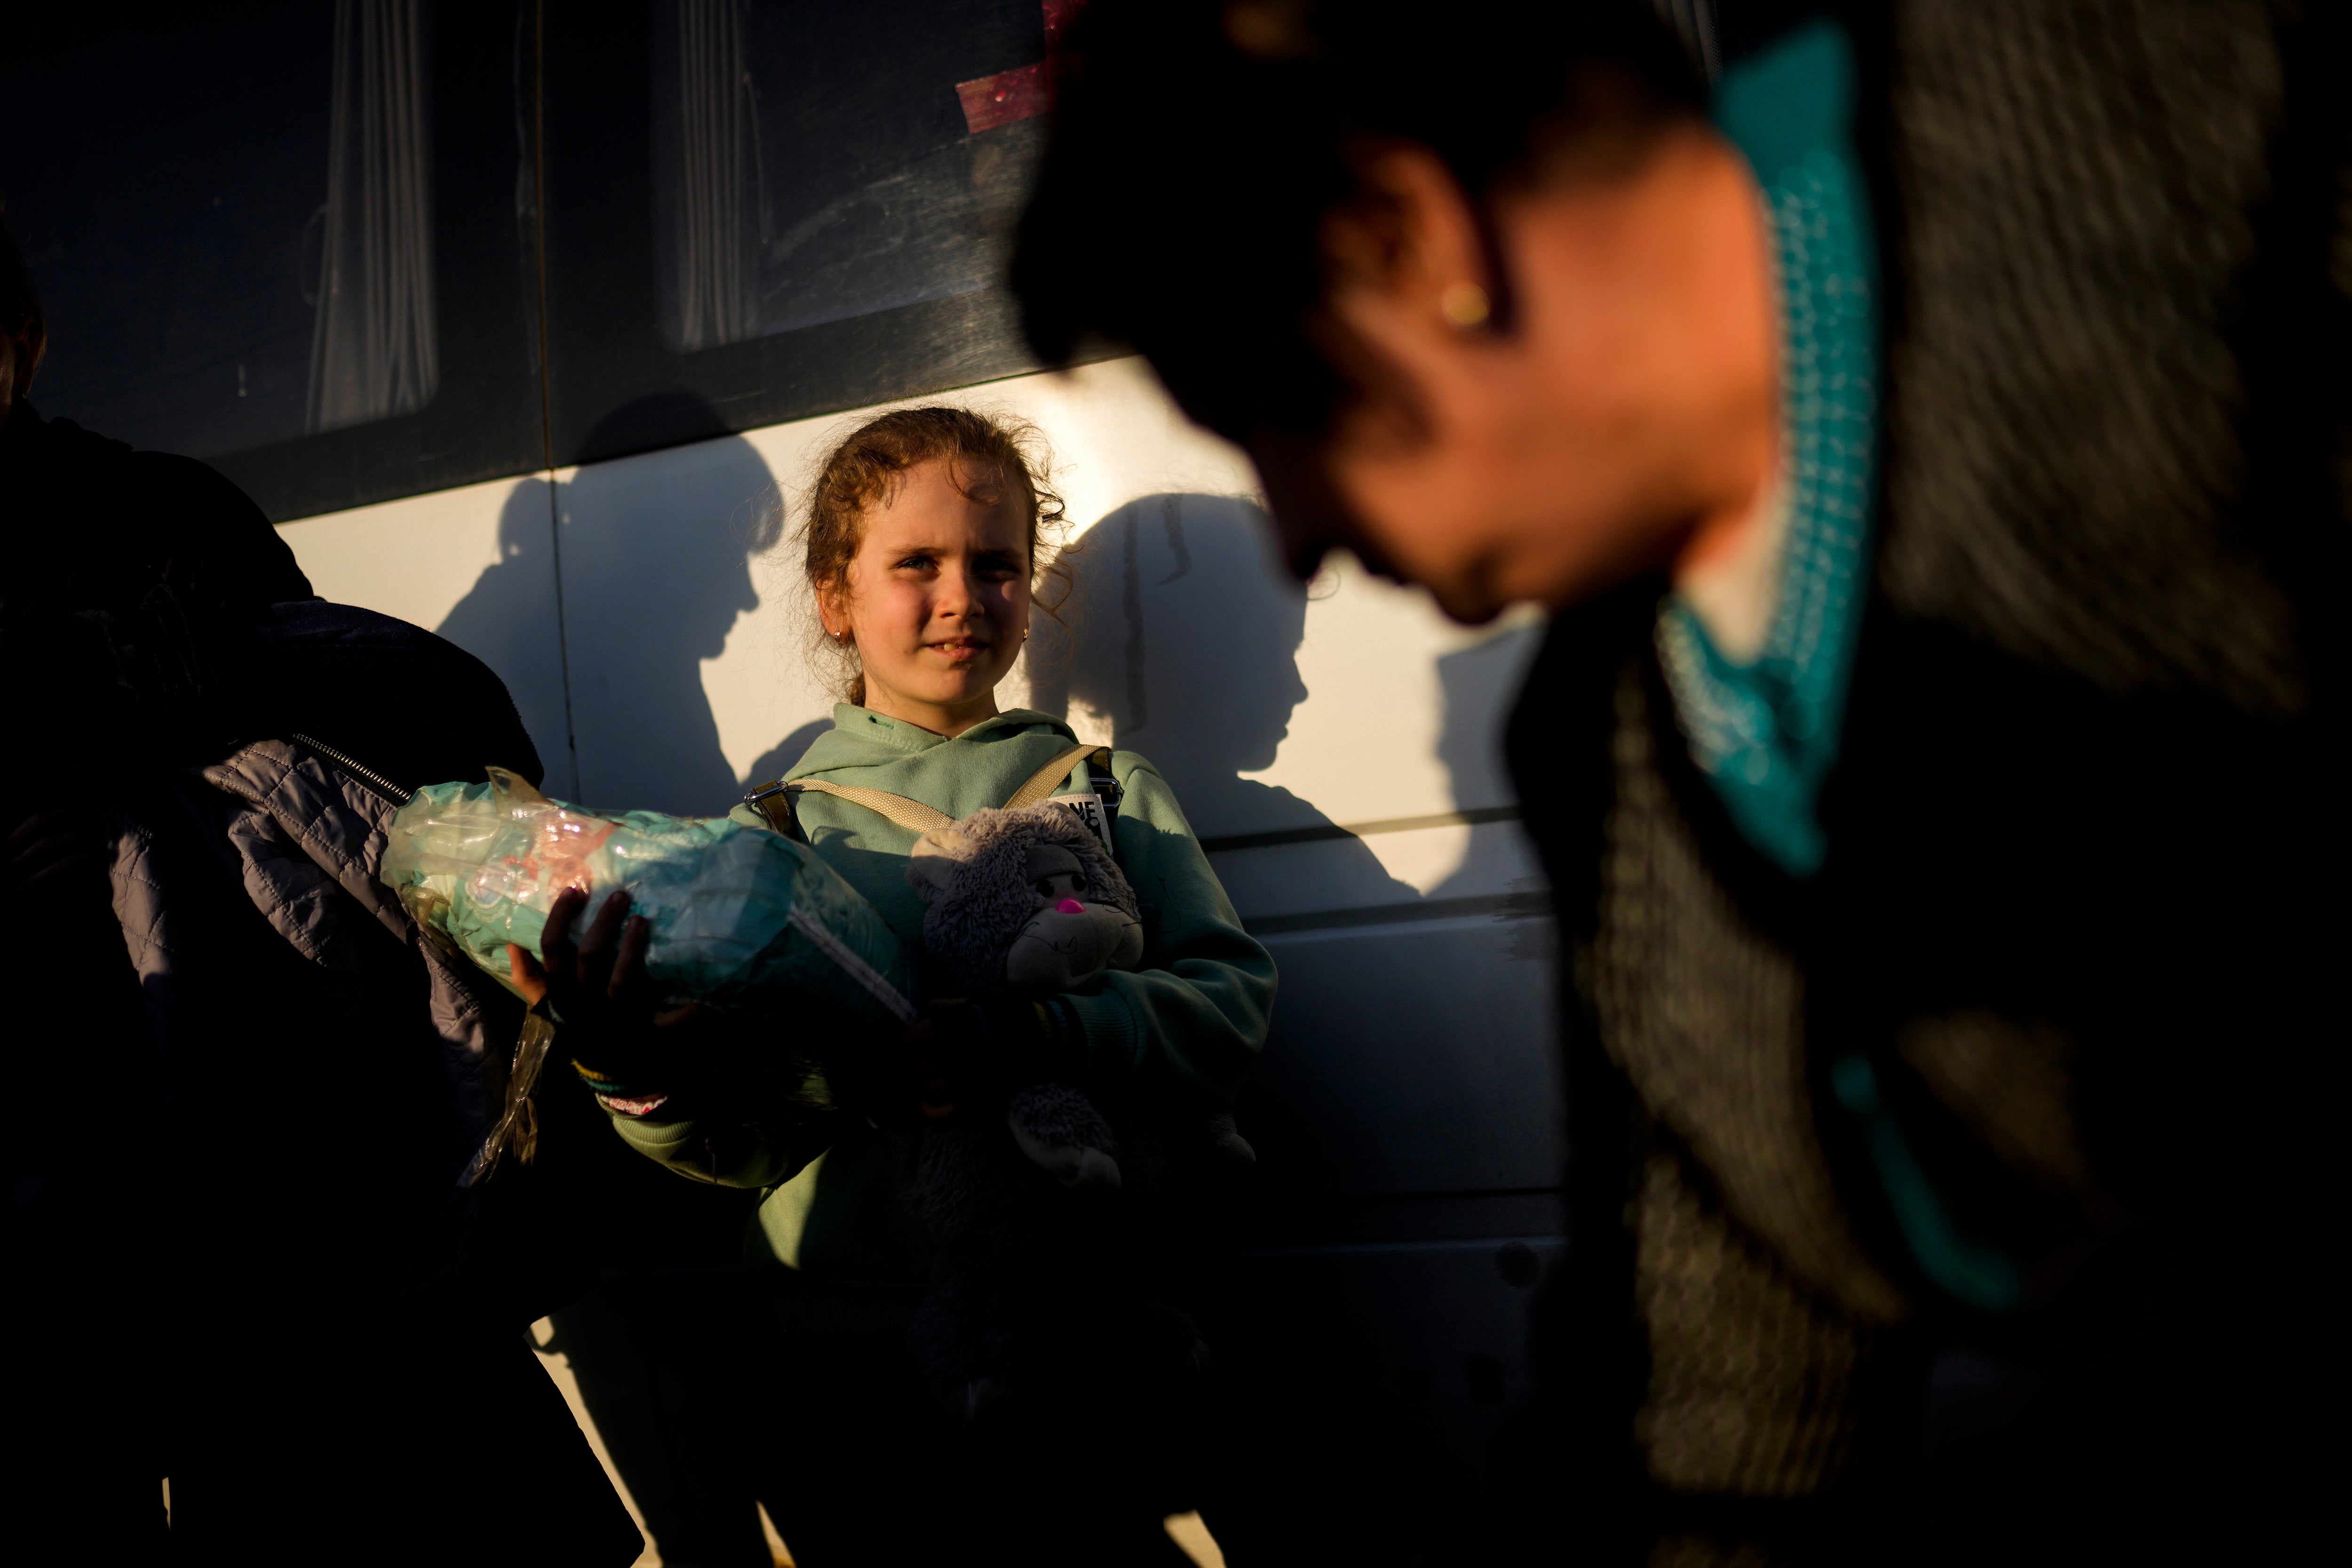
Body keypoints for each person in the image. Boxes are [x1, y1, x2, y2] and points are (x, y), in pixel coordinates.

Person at [1009, 3, 2344, 1563]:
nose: (1294, 533)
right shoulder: (1619, 754)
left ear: (1410, 230)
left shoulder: (2173, 120)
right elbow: (1713, 1401)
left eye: (1271, 414)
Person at [522, 405, 1276, 1566]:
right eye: (915, 563)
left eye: (997, 565)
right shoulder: (767, 840)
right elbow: (741, 1141)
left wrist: (1037, 1034)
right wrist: (626, 1062)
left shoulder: (1110, 790)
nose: (963, 594)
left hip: (1084, 1335)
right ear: (835, 597)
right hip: (852, 1367)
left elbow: (1230, 1005)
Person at [0, 202, 639, 1566]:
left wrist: (125, 784)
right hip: (33, 1141)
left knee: (353, 1444)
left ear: (23, 343)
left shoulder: (159, 512)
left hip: (270, 1076)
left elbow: (347, 728)